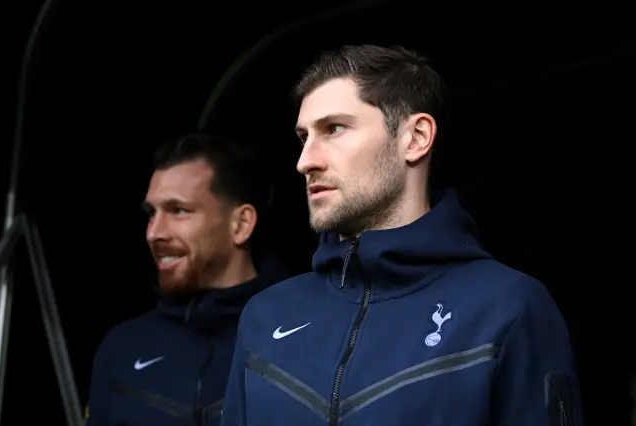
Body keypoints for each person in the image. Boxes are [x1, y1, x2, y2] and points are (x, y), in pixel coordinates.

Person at [220, 44, 583, 426]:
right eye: (303, 137)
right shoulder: (265, 317)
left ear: (415, 138)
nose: (305, 161)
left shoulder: (507, 308)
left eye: (334, 129)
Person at [85, 132, 288, 426]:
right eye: (151, 213)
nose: (154, 233)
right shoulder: (121, 349)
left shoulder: (304, 335)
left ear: (241, 224)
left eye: (178, 211)